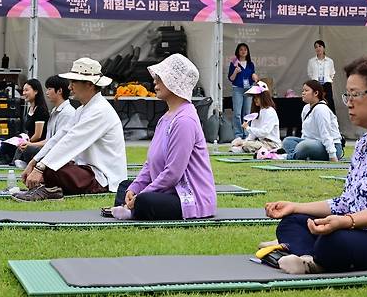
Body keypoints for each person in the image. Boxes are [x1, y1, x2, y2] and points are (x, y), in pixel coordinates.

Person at [262, 57, 367, 274]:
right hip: (362, 230)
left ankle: (309, 257)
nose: (349, 102)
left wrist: (344, 222)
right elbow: (347, 201)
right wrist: (295, 206)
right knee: (292, 222)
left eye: (355, 95)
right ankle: (307, 253)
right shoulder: (364, 142)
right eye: (347, 95)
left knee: (336, 239)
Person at [110, 54, 217, 220]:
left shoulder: (184, 121)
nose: (155, 82)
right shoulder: (166, 117)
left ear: (175, 82)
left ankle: (131, 208)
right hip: (169, 190)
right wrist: (134, 188)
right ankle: (131, 206)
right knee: (125, 186)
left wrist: (141, 195)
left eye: (160, 78)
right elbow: (150, 163)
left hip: (188, 196)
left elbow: (173, 173)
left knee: (145, 199)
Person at [13, 57, 126, 201]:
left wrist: (40, 168)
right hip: (85, 169)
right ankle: (50, 187)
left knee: (50, 168)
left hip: (102, 177)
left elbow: (71, 141)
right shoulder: (83, 109)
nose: (70, 87)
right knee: (43, 160)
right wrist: (34, 162)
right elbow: (60, 137)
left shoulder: (99, 111)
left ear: (89, 84)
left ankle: (50, 188)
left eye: (74, 82)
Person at [13, 75, 75, 167]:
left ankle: (30, 162)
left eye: (49, 89)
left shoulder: (67, 113)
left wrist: (31, 144)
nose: (46, 92)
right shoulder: (55, 111)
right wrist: (30, 144)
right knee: (25, 147)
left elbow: (58, 142)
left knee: (29, 149)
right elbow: (49, 140)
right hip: (50, 148)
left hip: (60, 153)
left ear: (59, 91)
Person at [0, 78, 49, 165]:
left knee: (11, 145)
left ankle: (5, 155)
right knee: (6, 141)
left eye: (27, 90)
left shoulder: (40, 110)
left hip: (36, 143)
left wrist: (26, 141)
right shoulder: (31, 108)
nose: (24, 93)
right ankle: (3, 151)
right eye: (23, 90)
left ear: (36, 91)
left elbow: (38, 135)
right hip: (29, 140)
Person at [281, 80, 343, 162]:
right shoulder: (306, 108)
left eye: (306, 91)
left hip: (331, 147)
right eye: (303, 91)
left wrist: (332, 155)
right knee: (287, 141)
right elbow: (305, 133)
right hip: (311, 144)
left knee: (304, 146)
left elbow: (326, 133)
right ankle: (302, 155)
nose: (303, 93)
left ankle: (290, 157)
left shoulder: (321, 109)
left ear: (316, 93)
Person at [230, 81, 281, 154]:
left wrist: (248, 128)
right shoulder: (257, 113)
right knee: (237, 142)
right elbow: (252, 135)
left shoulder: (270, 111)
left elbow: (265, 132)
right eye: (254, 97)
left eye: (257, 97)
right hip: (260, 142)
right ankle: (243, 148)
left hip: (271, 144)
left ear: (264, 97)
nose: (255, 99)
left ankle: (246, 149)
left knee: (248, 145)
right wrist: (244, 142)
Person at [228, 43, 259, 139]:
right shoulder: (234, 63)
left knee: (247, 113)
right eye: (241, 49)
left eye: (245, 49)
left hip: (249, 89)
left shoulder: (250, 64)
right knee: (237, 113)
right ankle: (238, 134)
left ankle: (246, 133)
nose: (243, 51)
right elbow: (231, 78)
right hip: (237, 89)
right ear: (238, 51)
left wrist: (255, 77)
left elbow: (254, 76)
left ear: (248, 52)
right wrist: (235, 72)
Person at [307, 40, 336, 114]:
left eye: (320, 46)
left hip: (327, 84)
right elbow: (310, 73)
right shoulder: (311, 61)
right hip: (316, 85)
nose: (318, 48)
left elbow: (332, 73)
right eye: (316, 47)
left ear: (324, 48)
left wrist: (328, 79)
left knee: (329, 102)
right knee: (316, 102)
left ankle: (331, 121)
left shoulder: (330, 61)